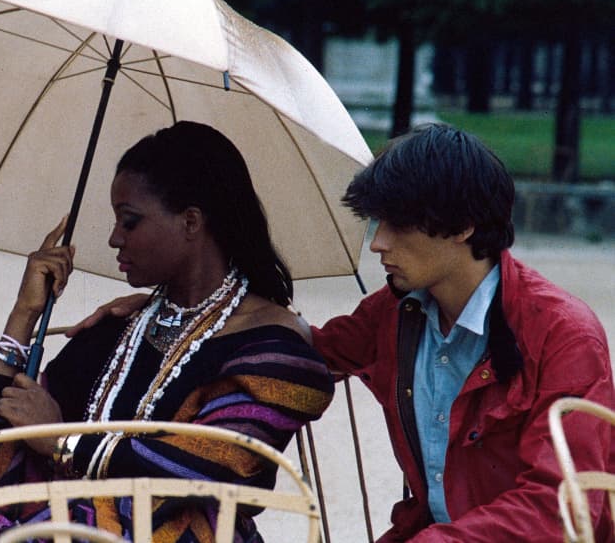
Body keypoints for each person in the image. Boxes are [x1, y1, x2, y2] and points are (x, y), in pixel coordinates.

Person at [75, 123, 614, 541]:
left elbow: (565, 507)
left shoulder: (562, 335)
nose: (377, 244)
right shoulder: (397, 312)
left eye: (395, 225)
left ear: (462, 226)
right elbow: (294, 346)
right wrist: (172, 311)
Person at [0, 121, 335, 543]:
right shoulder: (112, 331)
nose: (114, 238)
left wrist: (63, 442)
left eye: (129, 221)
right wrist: (24, 316)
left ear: (190, 222)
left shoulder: (274, 353)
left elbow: (215, 466)